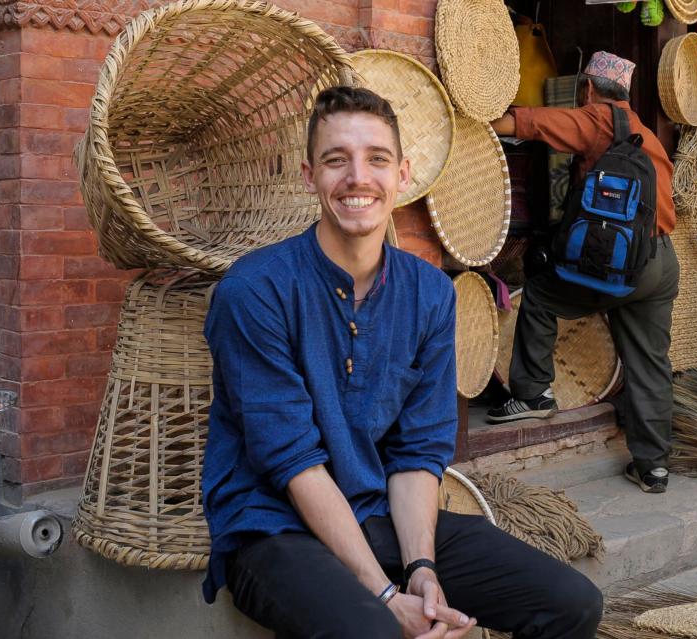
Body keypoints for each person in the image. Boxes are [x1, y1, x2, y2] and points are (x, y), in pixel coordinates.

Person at [201, 86, 602, 639]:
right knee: (376, 633)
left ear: (404, 174)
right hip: (273, 527)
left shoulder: (430, 294)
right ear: (308, 175)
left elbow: (417, 452)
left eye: (377, 159)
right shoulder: (256, 290)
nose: (357, 178)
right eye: (336, 160)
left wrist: (422, 570)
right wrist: (386, 596)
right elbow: (292, 463)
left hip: (380, 515)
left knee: (572, 603)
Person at [487, 52, 679, 494]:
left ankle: (533, 393)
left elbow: (526, 125)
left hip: (621, 262)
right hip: (661, 262)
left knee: (539, 295)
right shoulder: (645, 134)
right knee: (650, 362)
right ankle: (654, 468)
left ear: (589, 89)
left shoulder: (598, 119)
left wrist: (476, 117)